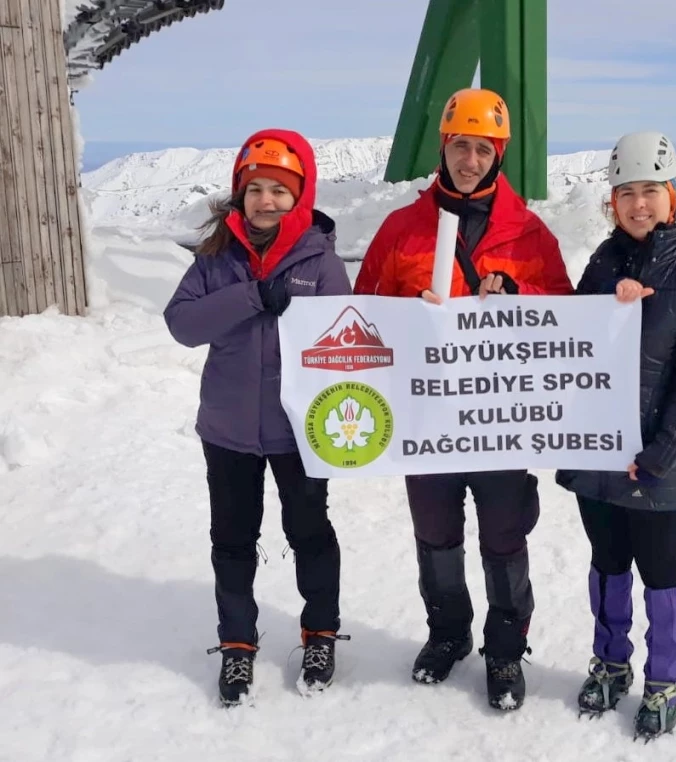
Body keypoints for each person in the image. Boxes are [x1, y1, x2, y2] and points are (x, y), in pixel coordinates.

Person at [354, 88, 574, 710]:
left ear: (498, 153)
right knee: (436, 530)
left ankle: (505, 648)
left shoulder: (528, 233)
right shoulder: (403, 229)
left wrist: (518, 299)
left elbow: (565, 314)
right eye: (459, 146)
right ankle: (448, 632)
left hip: (500, 420)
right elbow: (364, 310)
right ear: (443, 147)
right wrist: (408, 318)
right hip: (426, 419)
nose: (469, 160)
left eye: (482, 148)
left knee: (505, 534)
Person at [164, 129, 353, 706]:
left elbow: (348, 346)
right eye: (256, 189)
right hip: (228, 430)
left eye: (280, 190)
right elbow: (183, 324)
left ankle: (320, 631)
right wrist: (251, 295)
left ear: (301, 196)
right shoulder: (217, 258)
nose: (267, 201)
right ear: (239, 196)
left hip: (301, 431)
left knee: (309, 532)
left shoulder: (320, 262)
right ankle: (237, 643)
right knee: (233, 539)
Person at [556, 131, 676, 739]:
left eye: (649, 191)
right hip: (598, 456)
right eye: (625, 192)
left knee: (660, 568)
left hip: (658, 458)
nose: (637, 204)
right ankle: (610, 662)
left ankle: (665, 677)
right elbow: (569, 345)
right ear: (612, 201)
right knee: (607, 562)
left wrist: (662, 452)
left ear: (672, 194)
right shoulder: (602, 262)